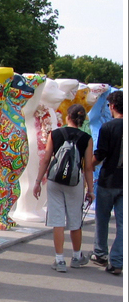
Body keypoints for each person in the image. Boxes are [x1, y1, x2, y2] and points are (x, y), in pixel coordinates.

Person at [33, 103, 94, 272]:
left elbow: (46, 159)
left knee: (57, 221)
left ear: (68, 117)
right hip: (75, 182)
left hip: (55, 180)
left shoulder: (55, 134)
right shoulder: (87, 139)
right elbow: (88, 167)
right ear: (82, 120)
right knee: (75, 220)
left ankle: (59, 260)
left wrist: (38, 182)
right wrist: (90, 190)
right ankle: (76, 257)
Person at [90, 90, 123, 275]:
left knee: (102, 218)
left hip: (108, 179)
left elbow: (100, 154)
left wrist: (88, 166)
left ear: (112, 106)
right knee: (123, 224)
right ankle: (117, 261)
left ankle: (100, 253)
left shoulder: (108, 127)